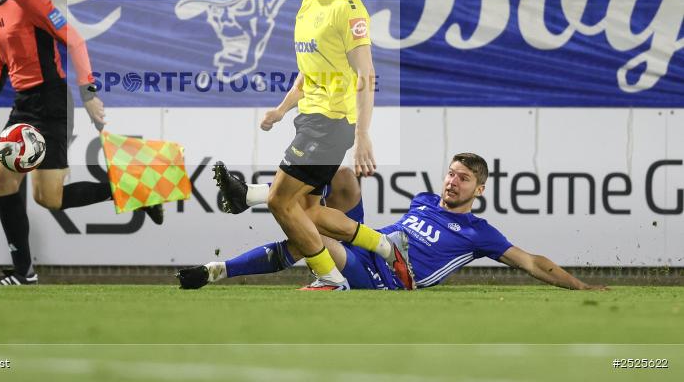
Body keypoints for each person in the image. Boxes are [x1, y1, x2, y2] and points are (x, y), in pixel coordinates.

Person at [213, 0, 403, 291]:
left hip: (331, 125)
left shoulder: (348, 7)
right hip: (309, 121)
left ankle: (330, 277)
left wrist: (363, 135)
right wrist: (282, 110)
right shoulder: (307, 4)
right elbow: (308, 72)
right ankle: (383, 244)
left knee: (280, 201)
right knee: (311, 211)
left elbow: (366, 73)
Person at [0, 0, 161, 286]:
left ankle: (133, 188)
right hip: (23, 104)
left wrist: (89, 94)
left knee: (49, 198)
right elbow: (0, 58)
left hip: (51, 101)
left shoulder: (33, 0)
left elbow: (76, 40)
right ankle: (24, 272)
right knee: (2, 181)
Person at [181, 153, 607, 292]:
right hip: (367, 244)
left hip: (382, 275)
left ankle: (223, 260)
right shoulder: (423, 200)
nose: (453, 181)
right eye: (451, 173)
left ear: (479, 190)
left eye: (464, 178)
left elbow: (531, 262)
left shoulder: (479, 233)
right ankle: (253, 198)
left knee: (309, 230)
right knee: (341, 175)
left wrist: (582, 286)